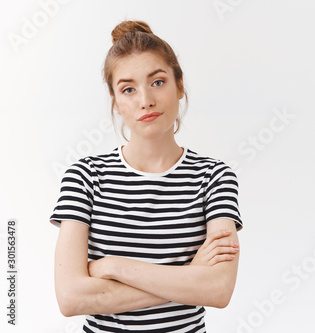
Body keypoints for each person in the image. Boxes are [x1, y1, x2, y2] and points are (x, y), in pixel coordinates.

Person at [49, 19, 243, 332]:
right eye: (128, 89)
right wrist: (189, 278)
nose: (145, 100)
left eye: (157, 82)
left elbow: (218, 290)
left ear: (179, 86)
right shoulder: (84, 177)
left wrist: (112, 267)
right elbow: (70, 297)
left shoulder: (214, 177)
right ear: (116, 102)